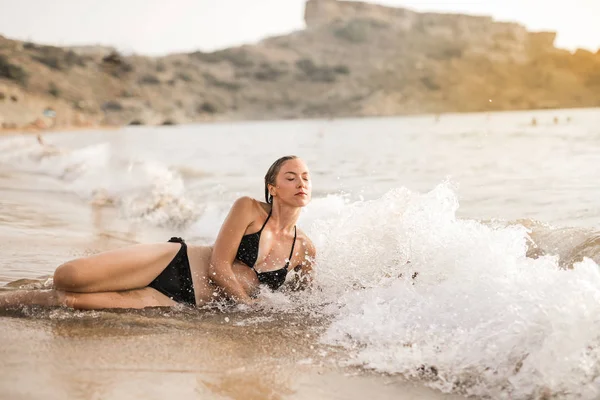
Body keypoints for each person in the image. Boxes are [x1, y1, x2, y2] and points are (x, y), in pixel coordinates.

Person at [0, 156, 316, 310]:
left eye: (305, 177)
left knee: (69, 301)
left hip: (178, 301)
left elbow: (303, 302)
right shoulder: (248, 209)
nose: (301, 182)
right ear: (272, 188)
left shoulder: (304, 249)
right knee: (67, 277)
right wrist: (249, 307)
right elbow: (219, 268)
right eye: (291, 177)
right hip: (171, 263)